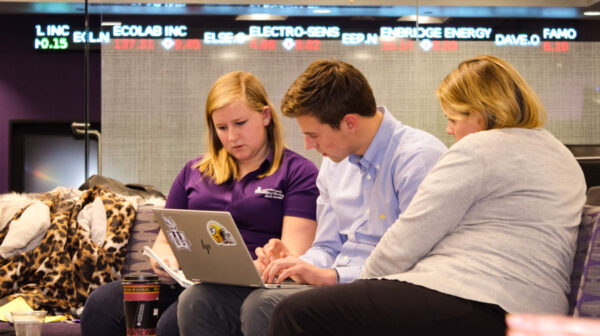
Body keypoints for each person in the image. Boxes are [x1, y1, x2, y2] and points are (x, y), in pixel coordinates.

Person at [268, 55, 588, 336]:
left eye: (453, 119)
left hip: (479, 297)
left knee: (297, 314)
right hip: (533, 301)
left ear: (481, 114)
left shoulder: (477, 149)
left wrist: (358, 289)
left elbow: (408, 239)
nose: (449, 130)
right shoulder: (560, 154)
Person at [177, 60, 447, 336]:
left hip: (388, 290)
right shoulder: (334, 162)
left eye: (313, 135)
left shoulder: (416, 158)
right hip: (340, 285)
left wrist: (332, 276)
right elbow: (327, 248)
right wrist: (298, 263)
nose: (308, 146)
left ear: (349, 123)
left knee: (265, 306)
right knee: (200, 301)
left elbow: (415, 259)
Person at [80, 71, 319, 336]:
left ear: (265, 116)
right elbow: (164, 240)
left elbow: (294, 255)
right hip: (183, 281)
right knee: (102, 304)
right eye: (222, 128)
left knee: (175, 322)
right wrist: (166, 261)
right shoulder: (194, 171)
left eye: (240, 123)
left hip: (248, 288)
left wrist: (266, 262)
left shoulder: (298, 172)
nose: (231, 137)